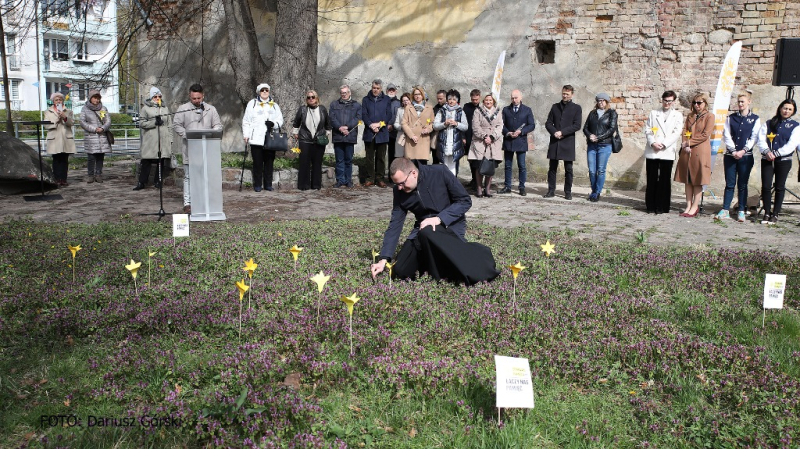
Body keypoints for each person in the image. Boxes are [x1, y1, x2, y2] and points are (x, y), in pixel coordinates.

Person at [370, 157, 501, 285]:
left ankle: (475, 256)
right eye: (396, 184)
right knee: (400, 270)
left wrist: (439, 218)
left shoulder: (439, 172)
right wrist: (384, 259)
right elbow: (395, 224)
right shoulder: (399, 191)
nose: (399, 188)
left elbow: (464, 201)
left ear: (413, 173)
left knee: (427, 232)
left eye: (402, 183)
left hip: (450, 225)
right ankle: (434, 265)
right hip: (422, 231)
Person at [173, 83, 222, 214]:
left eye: (199, 98)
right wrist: (188, 135)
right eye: (194, 98)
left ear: (203, 96)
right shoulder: (183, 109)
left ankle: (206, 200)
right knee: (189, 176)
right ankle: (187, 203)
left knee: (206, 175)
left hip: (207, 149)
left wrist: (213, 132)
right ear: (190, 96)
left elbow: (218, 125)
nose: (196, 101)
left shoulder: (211, 109)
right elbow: (177, 125)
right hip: (190, 148)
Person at [716, 92, 760, 222]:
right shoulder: (731, 118)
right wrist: (734, 151)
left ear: (749, 102)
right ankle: (725, 209)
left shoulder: (755, 119)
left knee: (742, 184)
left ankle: (741, 209)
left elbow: (754, 137)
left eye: (743, 101)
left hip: (745, 157)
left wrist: (743, 150)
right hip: (731, 156)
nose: (740, 104)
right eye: (739, 101)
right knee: (730, 184)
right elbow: (727, 135)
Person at [757, 99, 799, 225]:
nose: (786, 111)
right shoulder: (769, 123)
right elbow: (761, 139)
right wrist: (766, 151)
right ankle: (767, 212)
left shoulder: (795, 126)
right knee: (766, 186)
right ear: (780, 108)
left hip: (783, 160)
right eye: (785, 108)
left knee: (780, 187)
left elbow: (792, 144)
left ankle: (775, 214)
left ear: (793, 112)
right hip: (767, 159)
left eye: (790, 109)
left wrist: (776, 153)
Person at [674, 92, 714, 218]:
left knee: (697, 180)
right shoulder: (690, 116)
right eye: (694, 103)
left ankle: (695, 206)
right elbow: (685, 131)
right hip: (688, 151)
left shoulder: (709, 116)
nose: (696, 105)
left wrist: (689, 143)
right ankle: (688, 205)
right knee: (687, 179)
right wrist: (685, 144)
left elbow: (705, 134)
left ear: (705, 104)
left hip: (700, 151)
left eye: (699, 103)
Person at [644, 90, 683, 214]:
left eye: (669, 101)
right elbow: (648, 129)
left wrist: (664, 144)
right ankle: (650, 205)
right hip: (653, 149)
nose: (667, 103)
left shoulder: (677, 115)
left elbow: (676, 132)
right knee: (652, 177)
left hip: (667, 149)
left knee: (664, 179)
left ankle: (663, 206)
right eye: (665, 101)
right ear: (662, 100)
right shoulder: (653, 113)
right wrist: (653, 142)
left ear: (673, 102)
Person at [242, 83, 284, 192]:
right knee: (257, 163)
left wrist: (273, 124)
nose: (265, 92)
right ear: (259, 92)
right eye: (262, 90)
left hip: (270, 138)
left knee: (269, 162)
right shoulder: (252, 103)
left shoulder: (274, 105)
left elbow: (280, 120)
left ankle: (268, 184)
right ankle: (257, 184)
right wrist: (246, 135)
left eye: (266, 90)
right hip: (256, 138)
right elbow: (246, 120)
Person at [544, 85, 582, 199]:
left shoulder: (576, 108)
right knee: (552, 168)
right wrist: (554, 132)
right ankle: (551, 190)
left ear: (572, 95)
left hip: (568, 141)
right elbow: (548, 123)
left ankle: (568, 192)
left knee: (568, 169)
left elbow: (577, 125)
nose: (565, 96)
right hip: (555, 140)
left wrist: (563, 132)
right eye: (563, 94)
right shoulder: (555, 107)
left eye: (567, 94)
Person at [134, 87, 173, 191]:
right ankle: (142, 182)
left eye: (159, 96)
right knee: (146, 161)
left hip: (163, 139)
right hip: (150, 140)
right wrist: (154, 123)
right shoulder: (145, 108)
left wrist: (170, 139)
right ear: (151, 97)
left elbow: (169, 125)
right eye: (155, 96)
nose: (157, 98)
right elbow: (141, 123)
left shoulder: (165, 108)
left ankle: (158, 181)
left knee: (161, 160)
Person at [582, 92, 618, 202]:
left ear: (607, 102)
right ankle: (593, 191)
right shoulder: (592, 113)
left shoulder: (612, 113)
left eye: (603, 100)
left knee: (601, 170)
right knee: (592, 170)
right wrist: (590, 135)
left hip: (605, 145)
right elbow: (585, 128)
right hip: (592, 145)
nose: (600, 102)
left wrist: (599, 137)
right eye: (599, 100)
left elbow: (611, 129)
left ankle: (597, 192)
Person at [292, 89, 331, 190]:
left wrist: (327, 133)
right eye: (308, 97)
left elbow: (327, 123)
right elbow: (296, 122)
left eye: (312, 97)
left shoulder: (322, 109)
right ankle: (303, 185)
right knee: (304, 162)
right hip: (305, 139)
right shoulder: (303, 109)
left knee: (317, 163)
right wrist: (295, 132)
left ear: (316, 98)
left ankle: (316, 185)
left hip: (319, 139)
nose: (310, 99)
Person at [498, 89, 535, 196]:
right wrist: (508, 132)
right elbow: (501, 124)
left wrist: (521, 131)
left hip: (521, 141)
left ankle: (522, 187)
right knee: (508, 166)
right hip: (509, 141)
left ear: (521, 98)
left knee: (522, 166)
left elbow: (531, 125)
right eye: (512, 98)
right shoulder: (506, 109)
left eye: (516, 98)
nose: (514, 100)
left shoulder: (527, 110)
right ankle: (507, 186)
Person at [468, 93, 504, 198]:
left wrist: (492, 137)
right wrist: (484, 136)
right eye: (486, 100)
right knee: (479, 166)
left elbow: (500, 126)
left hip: (493, 142)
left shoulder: (498, 111)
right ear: (483, 101)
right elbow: (475, 126)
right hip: (480, 142)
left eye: (490, 100)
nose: (488, 102)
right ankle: (479, 188)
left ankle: (487, 189)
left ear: (493, 102)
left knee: (490, 166)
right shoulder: (478, 111)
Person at [361, 79, 394, 187]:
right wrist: (371, 125)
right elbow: (364, 114)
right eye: (374, 88)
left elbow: (389, 114)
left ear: (381, 89)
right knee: (369, 157)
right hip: (369, 132)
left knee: (381, 157)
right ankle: (370, 177)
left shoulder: (386, 100)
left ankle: (380, 178)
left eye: (377, 88)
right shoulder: (366, 100)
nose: (375, 90)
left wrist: (380, 124)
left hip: (382, 132)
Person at [329, 84, 361, 188]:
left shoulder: (356, 105)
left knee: (348, 160)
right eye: (342, 93)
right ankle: (340, 180)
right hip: (338, 135)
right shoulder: (334, 104)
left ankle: (348, 180)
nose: (344, 94)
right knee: (339, 160)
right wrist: (340, 128)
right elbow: (332, 118)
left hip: (350, 135)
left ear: (349, 93)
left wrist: (347, 127)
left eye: (345, 93)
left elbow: (358, 118)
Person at [79, 90, 112, 183]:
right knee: (91, 157)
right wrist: (94, 129)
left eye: (98, 98)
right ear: (90, 98)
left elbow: (108, 121)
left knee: (100, 156)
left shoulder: (103, 108)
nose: (96, 100)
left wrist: (102, 128)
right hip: (91, 137)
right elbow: (82, 122)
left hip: (102, 136)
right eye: (95, 98)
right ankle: (90, 175)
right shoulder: (85, 109)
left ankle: (98, 174)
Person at [433, 89, 468, 175]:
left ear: (457, 101)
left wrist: (456, 124)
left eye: (454, 99)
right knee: (443, 165)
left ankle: (451, 185)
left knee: (452, 166)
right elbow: (435, 126)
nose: (451, 101)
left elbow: (465, 127)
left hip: (455, 142)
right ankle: (442, 186)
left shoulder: (461, 112)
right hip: (443, 142)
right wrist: (444, 124)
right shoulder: (442, 110)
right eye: (450, 99)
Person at [44, 92, 75, 187]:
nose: (58, 101)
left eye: (60, 100)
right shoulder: (48, 111)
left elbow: (71, 123)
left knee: (64, 159)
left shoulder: (68, 111)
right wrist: (56, 121)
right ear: (53, 101)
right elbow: (46, 125)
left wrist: (64, 117)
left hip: (65, 137)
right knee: (56, 159)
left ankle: (63, 179)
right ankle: (57, 179)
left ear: (63, 101)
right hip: (54, 138)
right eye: (56, 100)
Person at [401, 86, 436, 166]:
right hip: (411, 141)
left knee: (422, 165)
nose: (417, 96)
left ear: (423, 95)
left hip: (423, 139)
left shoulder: (429, 108)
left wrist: (428, 129)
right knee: (410, 165)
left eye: (419, 94)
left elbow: (432, 122)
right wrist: (411, 135)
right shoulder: (408, 108)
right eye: (415, 94)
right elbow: (404, 123)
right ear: (413, 96)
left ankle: (421, 179)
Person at [463, 89, 481, 185]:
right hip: (469, 136)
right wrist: (463, 137)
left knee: (478, 160)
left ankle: (478, 181)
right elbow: (463, 122)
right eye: (473, 99)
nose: (475, 101)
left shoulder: (482, 108)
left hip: (479, 138)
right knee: (471, 159)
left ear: (479, 97)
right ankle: (474, 179)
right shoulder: (466, 107)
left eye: (476, 99)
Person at [386, 83, 401, 168]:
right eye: (389, 90)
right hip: (384, 131)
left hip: (394, 133)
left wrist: (392, 125)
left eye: (393, 90)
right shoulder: (383, 102)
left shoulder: (398, 103)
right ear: (386, 91)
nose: (391, 91)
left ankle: (393, 176)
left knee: (394, 154)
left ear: (396, 91)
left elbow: (399, 116)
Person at [393, 92, 412, 159]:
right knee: (400, 156)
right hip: (401, 134)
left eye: (407, 100)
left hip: (411, 135)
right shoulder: (400, 110)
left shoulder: (414, 110)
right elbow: (396, 123)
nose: (405, 102)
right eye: (404, 101)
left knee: (410, 156)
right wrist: (401, 127)